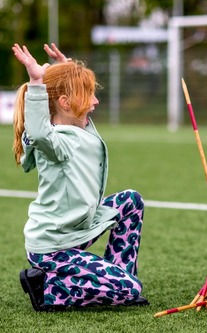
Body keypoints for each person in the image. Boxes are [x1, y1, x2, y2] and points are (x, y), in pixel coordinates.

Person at [12, 43, 149, 311]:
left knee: (131, 201)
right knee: (129, 289)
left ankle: (119, 274)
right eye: (88, 95)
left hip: (77, 228)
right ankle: (48, 289)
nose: (96, 101)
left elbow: (72, 113)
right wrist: (38, 82)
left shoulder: (76, 130)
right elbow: (39, 132)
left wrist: (68, 69)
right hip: (54, 246)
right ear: (65, 103)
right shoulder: (55, 143)